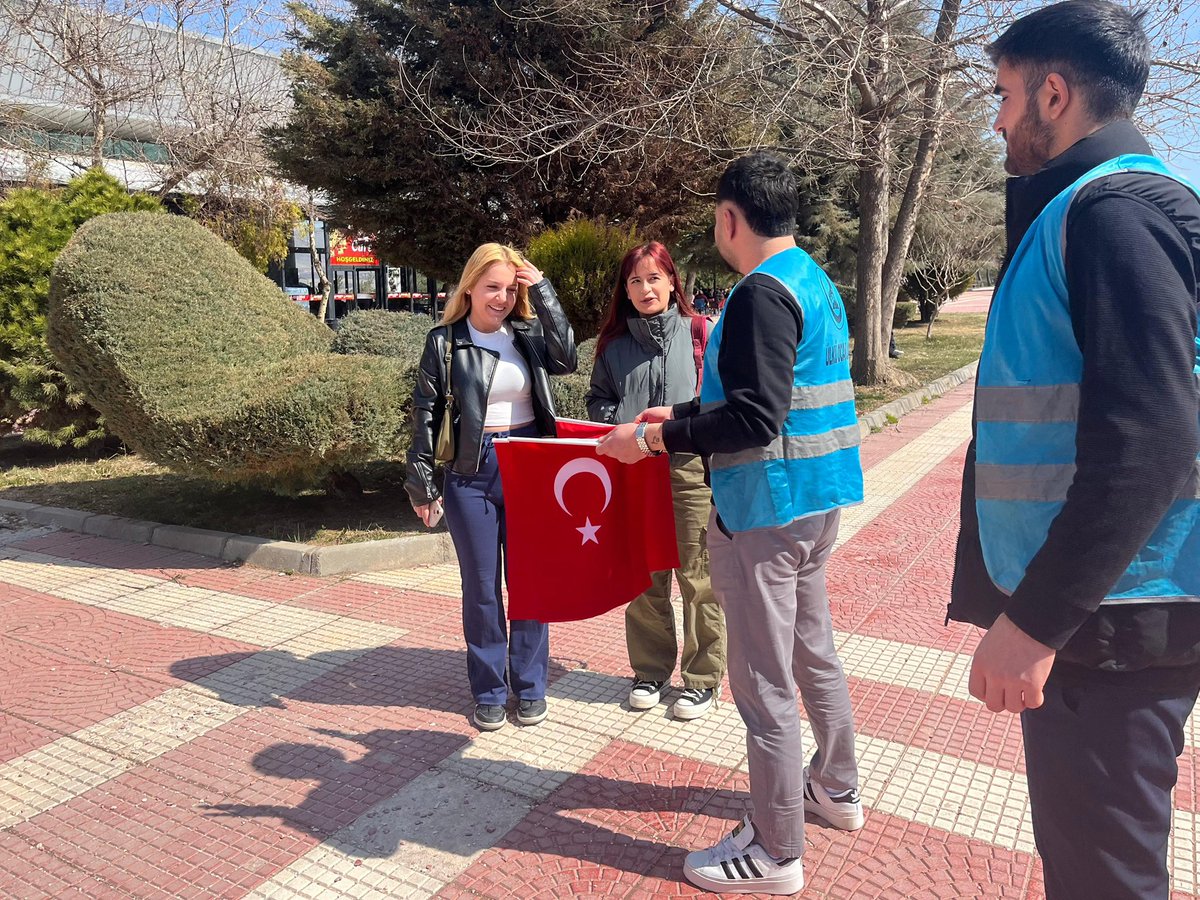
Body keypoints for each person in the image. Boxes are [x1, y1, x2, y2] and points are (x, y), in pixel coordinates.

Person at [946, 4, 1200, 898]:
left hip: (1114, 624)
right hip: (1108, 613)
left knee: (1105, 881)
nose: (998, 116)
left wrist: (1036, 621)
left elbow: (1155, 439)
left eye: (1006, 94)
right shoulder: (1091, 208)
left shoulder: (1115, 212)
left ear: (1055, 92)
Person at [598, 152, 865, 895]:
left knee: (761, 682)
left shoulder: (757, 295)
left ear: (729, 218)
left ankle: (777, 850)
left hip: (765, 511)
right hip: (817, 499)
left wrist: (649, 440)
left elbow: (754, 416)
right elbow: (763, 394)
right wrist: (678, 415)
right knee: (813, 649)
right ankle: (835, 790)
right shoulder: (813, 281)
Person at [407, 243, 577, 732]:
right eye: (491, 287)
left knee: (528, 584)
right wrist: (421, 484)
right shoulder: (444, 342)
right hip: (470, 472)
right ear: (470, 287)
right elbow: (425, 413)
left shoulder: (524, 336)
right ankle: (488, 689)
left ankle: (529, 686)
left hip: (529, 463)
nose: (501, 298)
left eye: (509, 288)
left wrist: (541, 289)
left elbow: (565, 355)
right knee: (481, 588)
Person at [586, 241, 727, 721]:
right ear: (625, 291)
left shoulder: (700, 332)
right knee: (644, 576)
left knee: (698, 575)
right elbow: (598, 400)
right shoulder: (614, 345)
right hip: (634, 469)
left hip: (690, 467)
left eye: (654, 278)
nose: (645, 289)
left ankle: (703, 679)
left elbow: (721, 402)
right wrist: (615, 418)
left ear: (672, 282)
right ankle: (649, 671)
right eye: (635, 281)